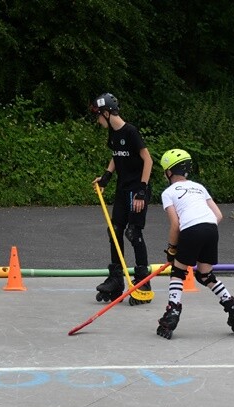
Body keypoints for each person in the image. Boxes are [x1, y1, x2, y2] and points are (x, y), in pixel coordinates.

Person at [156, 149, 234, 339]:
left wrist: (172, 249)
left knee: (178, 272)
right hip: (211, 228)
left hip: (191, 229)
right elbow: (218, 215)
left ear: (169, 172)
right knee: (205, 275)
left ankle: (172, 313)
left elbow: (175, 225)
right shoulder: (199, 187)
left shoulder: (168, 192)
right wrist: (203, 229)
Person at [89, 92, 154, 302]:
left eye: (99, 116)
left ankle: (143, 281)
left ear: (107, 113)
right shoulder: (113, 134)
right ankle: (116, 280)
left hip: (137, 189)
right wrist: (106, 177)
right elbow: (116, 155)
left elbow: (148, 160)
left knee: (133, 232)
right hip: (122, 188)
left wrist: (142, 190)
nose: (98, 120)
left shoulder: (131, 131)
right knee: (115, 230)